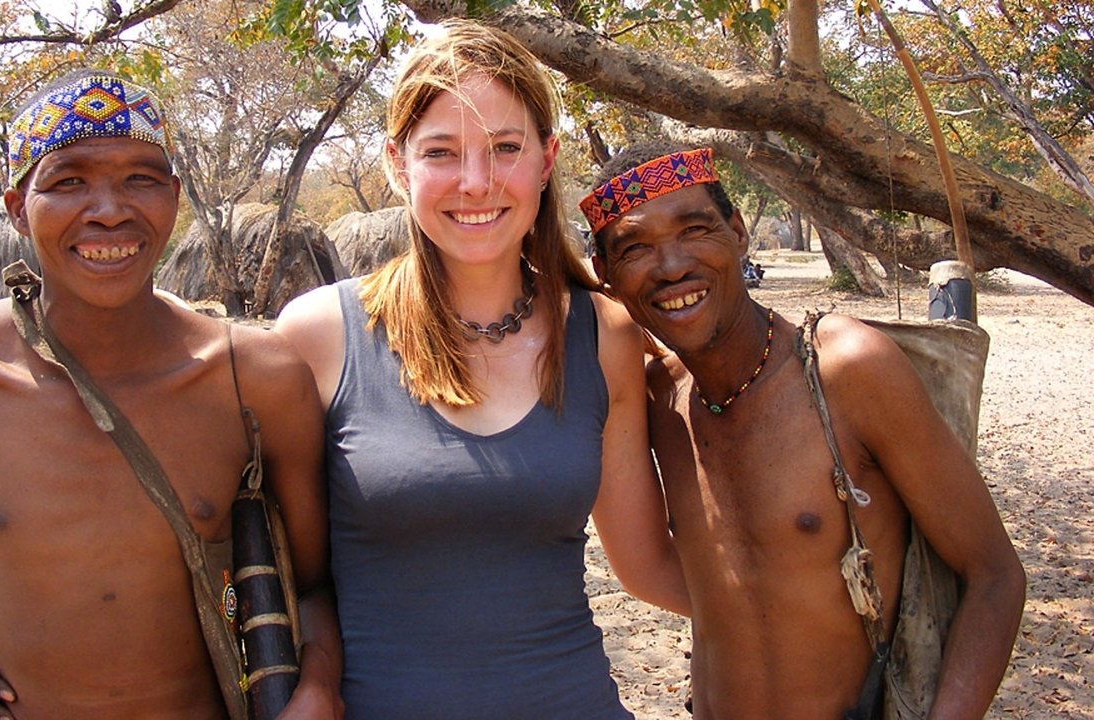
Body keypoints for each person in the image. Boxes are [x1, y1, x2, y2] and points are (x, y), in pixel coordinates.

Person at [0, 70, 342, 720]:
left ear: (174, 196)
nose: (110, 209)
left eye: (141, 178)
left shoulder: (253, 377)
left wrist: (318, 684)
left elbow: (316, 583)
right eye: (68, 182)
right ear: (17, 208)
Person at [274, 21, 686, 720]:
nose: (476, 182)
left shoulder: (602, 335)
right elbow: (295, 578)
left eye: (505, 148)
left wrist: (814, 614)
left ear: (547, 159)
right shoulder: (317, 337)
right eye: (441, 152)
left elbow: (648, 565)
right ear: (398, 163)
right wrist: (313, 682)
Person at [585, 142, 1026, 718]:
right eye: (636, 248)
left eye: (694, 230)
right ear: (607, 277)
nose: (672, 266)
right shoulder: (657, 403)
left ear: (738, 234)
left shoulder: (846, 369)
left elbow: (994, 575)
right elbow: (669, 573)